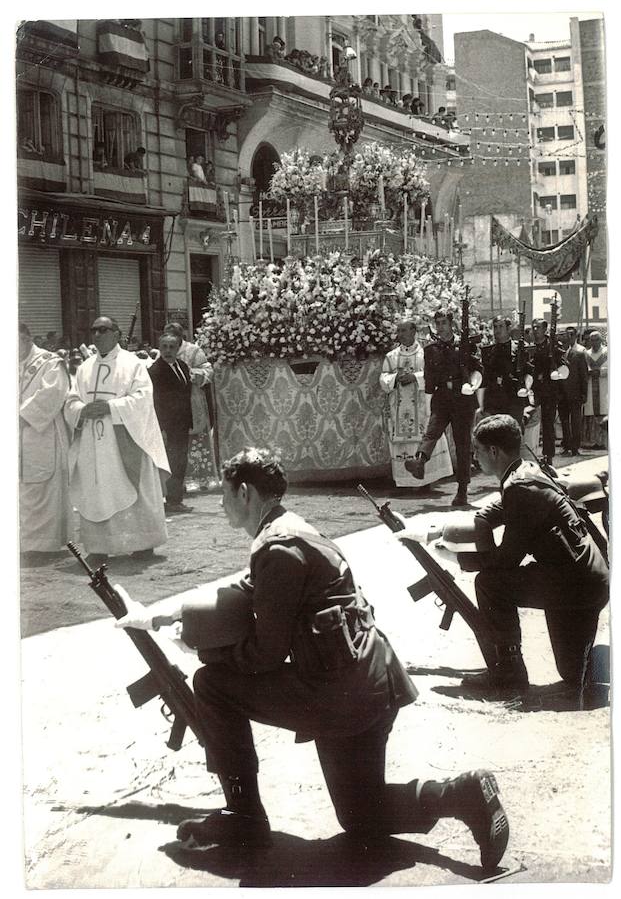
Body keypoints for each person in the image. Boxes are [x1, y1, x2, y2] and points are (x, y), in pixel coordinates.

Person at [116, 447, 510, 871]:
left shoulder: (277, 548)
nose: (219, 502)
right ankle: (463, 793)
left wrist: (198, 649)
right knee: (361, 813)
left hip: (340, 691)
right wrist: (157, 616)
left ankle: (244, 815)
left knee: (212, 683)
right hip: (371, 680)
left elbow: (266, 655)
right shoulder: (290, 531)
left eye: (224, 492)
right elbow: (245, 591)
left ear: (245, 492)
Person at [446, 415, 608, 693]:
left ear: (494, 451)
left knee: (490, 583)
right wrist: (482, 520)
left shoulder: (519, 487)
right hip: (588, 579)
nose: (475, 458)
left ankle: (509, 673)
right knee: (573, 673)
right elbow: (499, 509)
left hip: (576, 584)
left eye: (478, 451)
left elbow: (506, 561)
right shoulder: (527, 471)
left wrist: (460, 559)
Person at [63, 316, 169, 563]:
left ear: (117, 334)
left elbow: (143, 398)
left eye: (103, 330)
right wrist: (81, 410)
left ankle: (142, 543)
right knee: (95, 488)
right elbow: (71, 399)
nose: (97, 335)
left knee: (131, 484)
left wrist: (111, 407)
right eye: (94, 330)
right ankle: (98, 547)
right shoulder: (85, 367)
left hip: (125, 438)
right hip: (92, 441)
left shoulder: (133, 364)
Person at [405, 308, 482, 507]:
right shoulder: (431, 350)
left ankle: (462, 490)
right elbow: (429, 381)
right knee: (431, 432)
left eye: (443, 323)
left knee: (462, 444)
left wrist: (472, 385)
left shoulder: (465, 345)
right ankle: (420, 462)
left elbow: (477, 369)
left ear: (451, 324)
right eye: (437, 323)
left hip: (463, 398)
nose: (440, 327)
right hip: (442, 398)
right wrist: (426, 402)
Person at [19, 322, 72, 555]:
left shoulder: (50, 362)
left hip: (42, 432)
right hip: (16, 435)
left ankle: (43, 545)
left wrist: (22, 416)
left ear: (27, 338)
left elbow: (54, 392)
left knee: (42, 487)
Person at [379, 318, 453, 487]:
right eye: (399, 331)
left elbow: (434, 375)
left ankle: (426, 481)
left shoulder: (426, 353)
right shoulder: (391, 356)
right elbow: (383, 378)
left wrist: (415, 377)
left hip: (421, 406)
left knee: (423, 437)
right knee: (403, 442)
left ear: (414, 331)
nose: (401, 335)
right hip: (399, 407)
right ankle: (405, 482)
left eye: (404, 330)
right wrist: (395, 377)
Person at [164, 321, 217, 491]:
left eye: (174, 336)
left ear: (181, 337)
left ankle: (200, 478)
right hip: (171, 403)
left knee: (195, 437)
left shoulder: (193, 350)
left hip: (192, 399)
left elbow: (208, 369)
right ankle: (176, 480)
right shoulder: (164, 349)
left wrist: (197, 375)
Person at [148, 332, 194, 514]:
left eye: (172, 347)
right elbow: (156, 402)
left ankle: (176, 498)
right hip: (167, 426)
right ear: (160, 348)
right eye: (164, 347)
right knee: (172, 462)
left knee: (180, 460)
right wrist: (162, 428)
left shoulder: (182, 366)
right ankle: (172, 500)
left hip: (182, 424)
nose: (167, 351)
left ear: (178, 349)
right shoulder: (155, 371)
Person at [479, 314, 530, 428]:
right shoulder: (488, 351)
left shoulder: (520, 349)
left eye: (500, 326)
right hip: (494, 401)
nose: (497, 330)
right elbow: (484, 379)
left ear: (508, 328)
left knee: (513, 433)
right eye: (495, 327)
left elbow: (528, 372)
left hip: (514, 399)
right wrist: (482, 405)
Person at [530, 317, 568, 465]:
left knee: (548, 424)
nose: (535, 330)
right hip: (532, 389)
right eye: (533, 327)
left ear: (545, 329)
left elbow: (562, 365)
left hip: (549, 390)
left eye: (538, 327)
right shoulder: (529, 346)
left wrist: (551, 373)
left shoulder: (552, 346)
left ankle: (548, 456)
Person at [558, 326, 588, 457]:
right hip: (560, 395)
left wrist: (584, 393)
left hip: (575, 394)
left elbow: (584, 375)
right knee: (564, 422)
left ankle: (575, 447)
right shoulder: (555, 356)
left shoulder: (579, 355)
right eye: (561, 342)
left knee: (575, 421)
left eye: (565, 340)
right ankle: (566, 445)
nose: (563, 344)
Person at [583, 330, 608, 449]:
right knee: (591, 413)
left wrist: (600, 372)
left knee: (604, 410)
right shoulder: (586, 354)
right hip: (590, 387)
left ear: (601, 340)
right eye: (591, 340)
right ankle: (592, 441)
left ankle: (604, 441)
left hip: (604, 386)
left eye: (596, 339)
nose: (594, 342)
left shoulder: (607, 352)